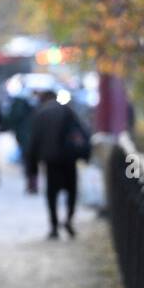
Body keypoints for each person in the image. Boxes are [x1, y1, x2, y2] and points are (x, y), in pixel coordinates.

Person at [25, 90, 90, 239]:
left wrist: (32, 167)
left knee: (51, 194)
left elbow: (34, 142)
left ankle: (54, 226)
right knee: (72, 191)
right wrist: (84, 155)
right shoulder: (68, 111)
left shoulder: (40, 114)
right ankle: (68, 219)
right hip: (69, 158)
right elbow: (82, 132)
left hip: (51, 160)